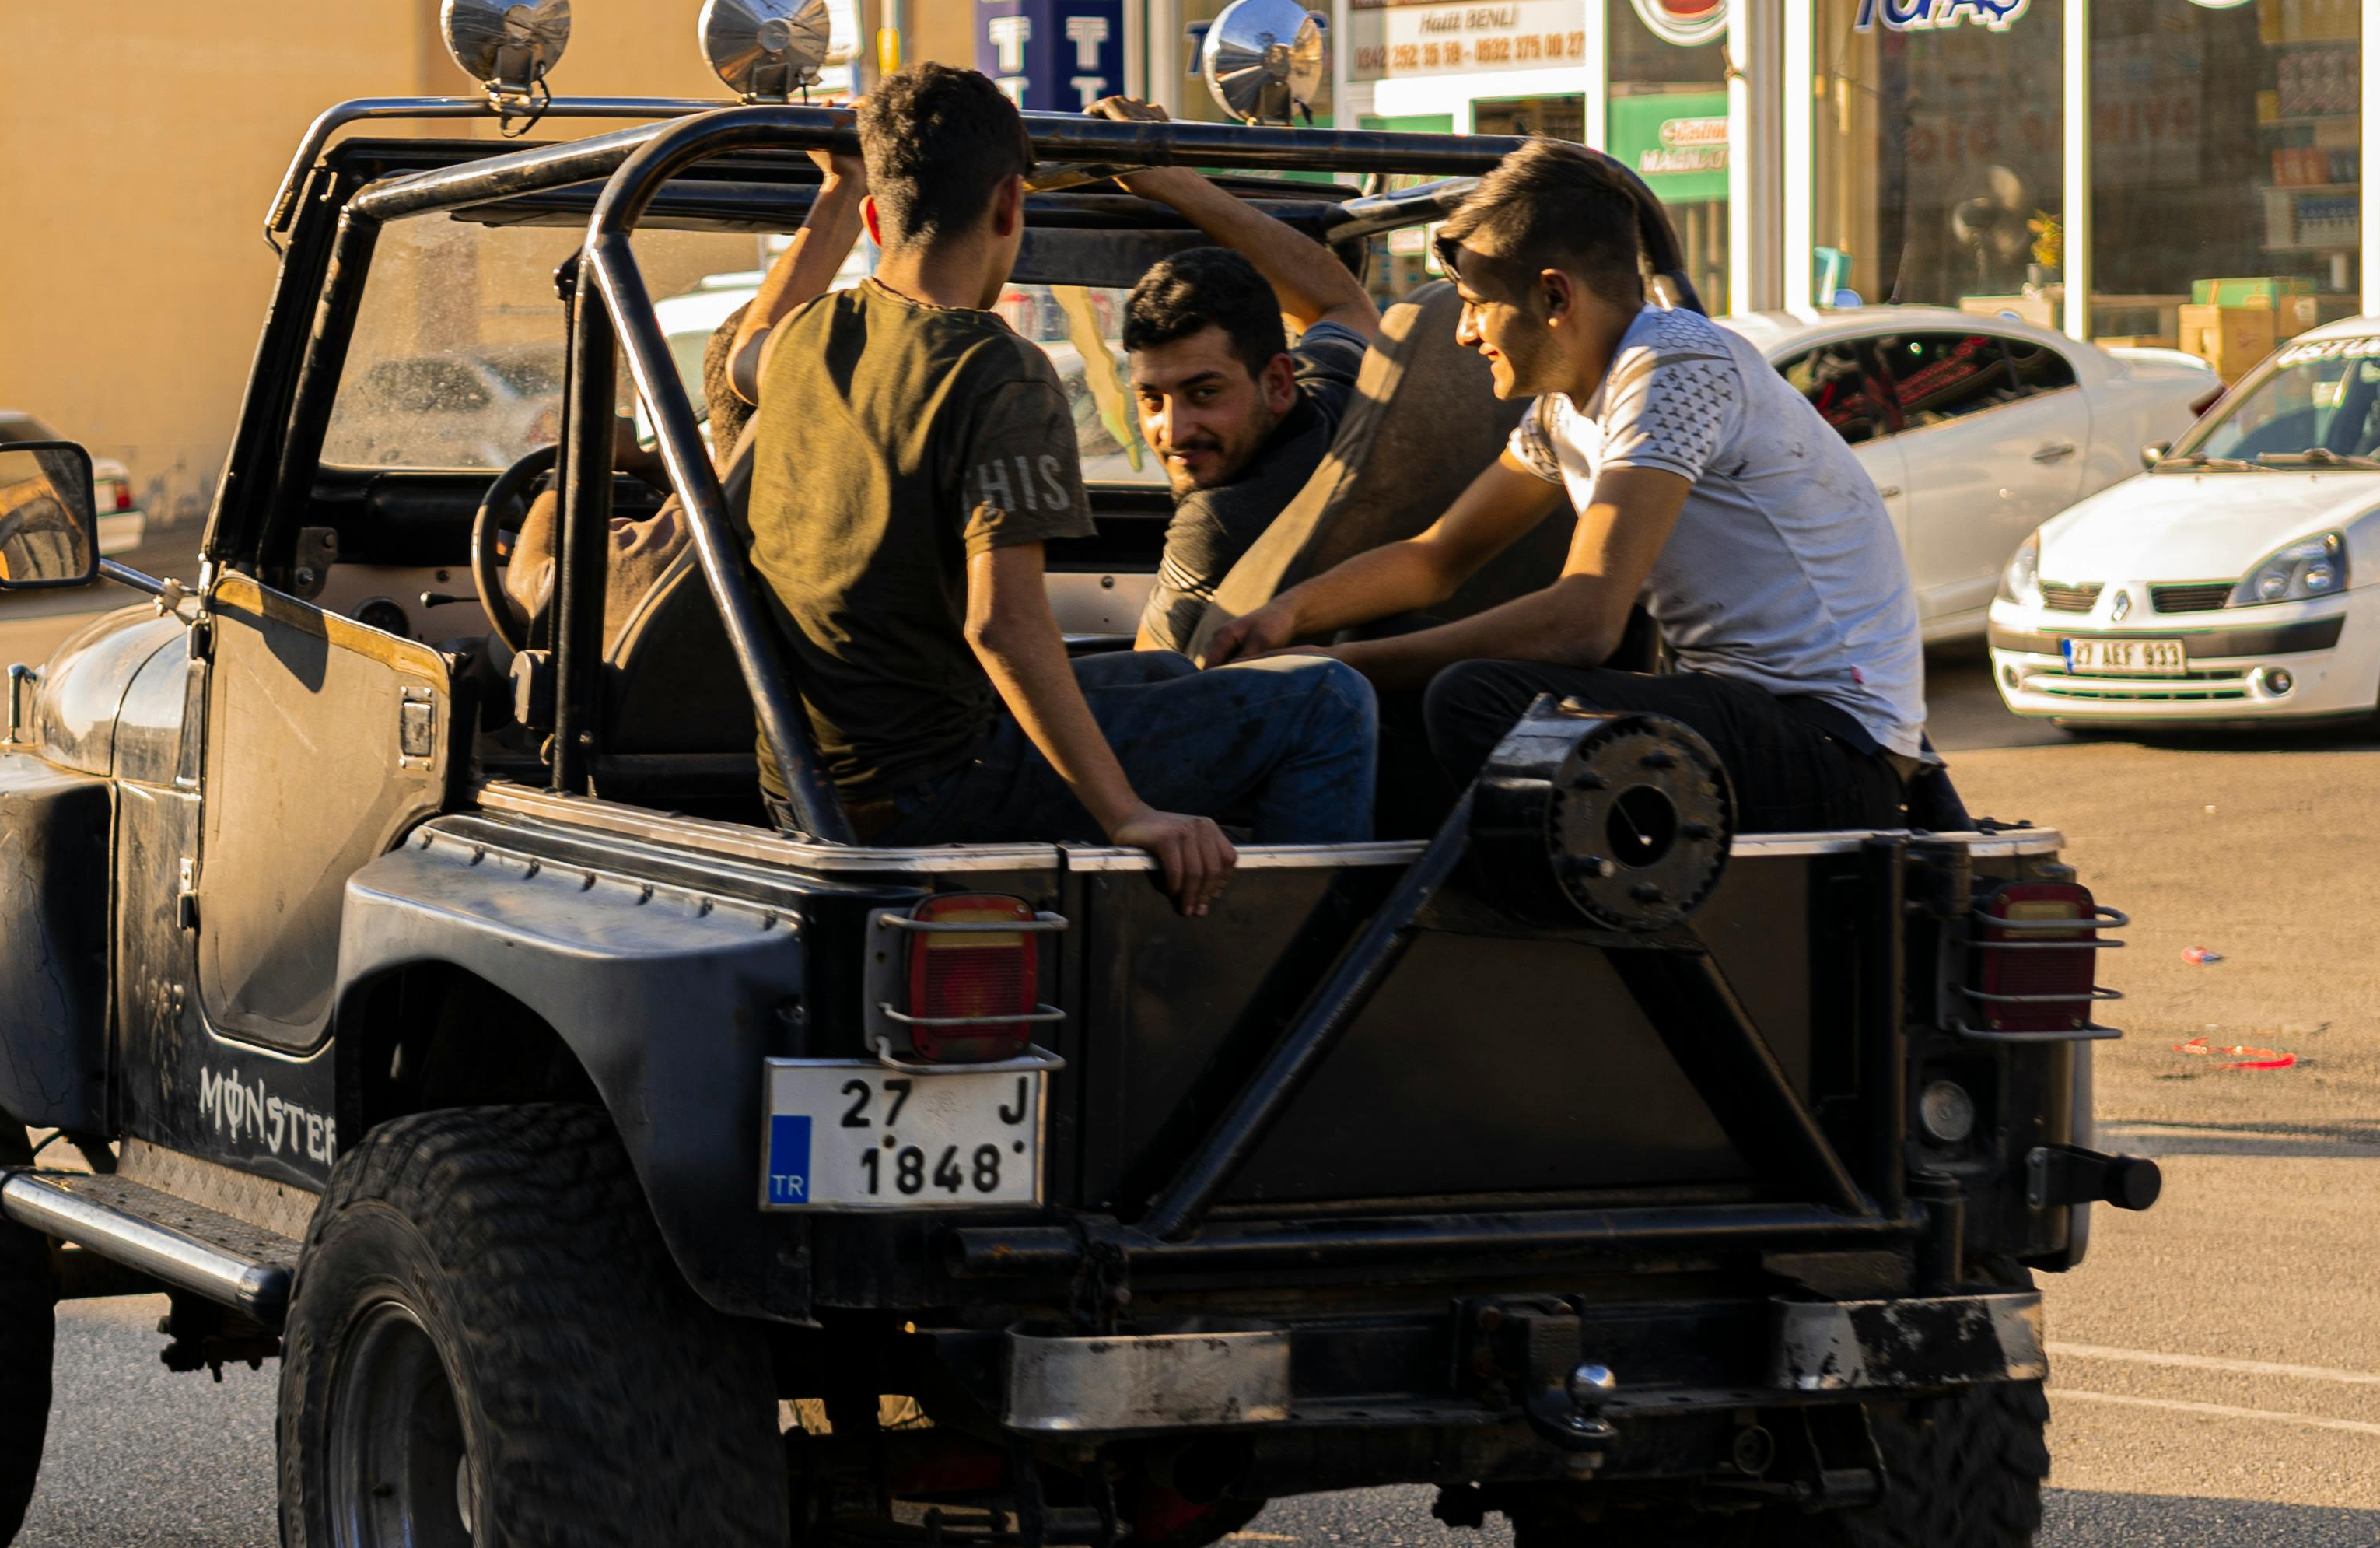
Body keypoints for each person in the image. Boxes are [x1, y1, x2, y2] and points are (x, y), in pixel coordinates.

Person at [738, 65, 1378, 913]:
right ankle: (1280, 972)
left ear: (872, 218)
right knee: (1329, 703)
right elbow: (1001, 621)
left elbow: (745, 349)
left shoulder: (807, 336)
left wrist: (836, 188)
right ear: (1010, 204)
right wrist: (1131, 815)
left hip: (804, 783)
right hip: (929, 789)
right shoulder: (993, 368)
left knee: (1158, 684)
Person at [1213, 138, 1927, 834]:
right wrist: (1288, 618)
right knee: (1400, 665)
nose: (1463, 333)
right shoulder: (1563, 408)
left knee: (1469, 697)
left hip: (1834, 746)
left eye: (1474, 304)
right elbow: (1436, 559)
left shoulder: (1675, 367)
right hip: (1744, 715)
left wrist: (1334, 668)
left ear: (1554, 295)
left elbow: (1584, 622)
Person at [503, 135, 870, 646]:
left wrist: (570, 471)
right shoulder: (880, 522)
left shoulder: (669, 549)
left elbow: (528, 587)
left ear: (720, 401)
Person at [1080, 95, 1381, 653]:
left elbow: (1146, 683)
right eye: (1151, 399)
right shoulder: (1335, 401)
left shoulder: (1215, 525)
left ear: (1278, 382)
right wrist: (1172, 182)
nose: (1174, 430)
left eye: (1204, 392)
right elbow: (1344, 305)